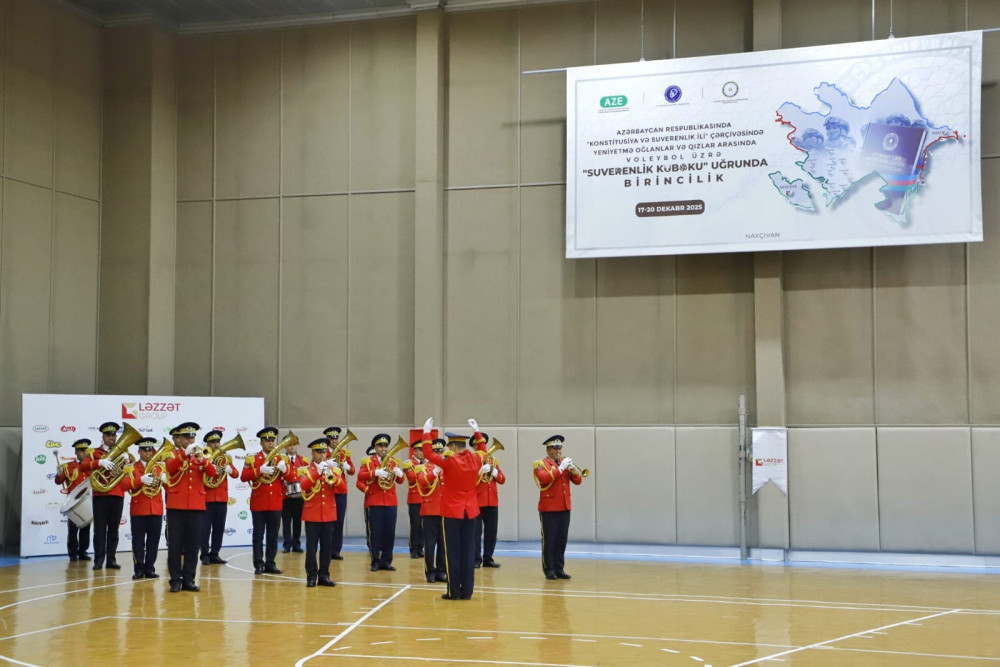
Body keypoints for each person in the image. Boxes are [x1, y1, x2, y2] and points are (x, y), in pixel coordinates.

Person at [419, 417, 485, 601]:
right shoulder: (476, 460)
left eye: (449, 447)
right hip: (470, 511)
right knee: (468, 551)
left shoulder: (450, 462)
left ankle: (454, 591)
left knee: (452, 553)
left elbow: (428, 453)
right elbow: (483, 450)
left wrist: (426, 432)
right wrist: (477, 432)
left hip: (451, 512)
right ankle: (468, 592)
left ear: (454, 448)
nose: (447, 450)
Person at [163, 422, 216, 592]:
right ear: (179, 439)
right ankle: (175, 580)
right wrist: (183, 456)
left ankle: (189, 579)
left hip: (196, 506)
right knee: (175, 546)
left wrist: (203, 461)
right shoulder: (170, 454)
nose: (190, 440)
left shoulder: (199, 455)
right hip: (176, 506)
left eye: (192, 437)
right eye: (187, 437)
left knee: (193, 546)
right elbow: (170, 469)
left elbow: (213, 474)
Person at [241, 427, 295, 575]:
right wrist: (259, 471)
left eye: (272, 440)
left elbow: (292, 479)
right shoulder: (253, 458)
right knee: (258, 535)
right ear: (261, 442)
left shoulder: (280, 458)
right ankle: (258, 563)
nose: (270, 443)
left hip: (275, 502)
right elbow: (244, 477)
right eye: (267, 441)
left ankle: (270, 563)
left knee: (273, 535)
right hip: (259, 502)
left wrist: (285, 469)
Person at [533, 434, 583, 580]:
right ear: (548, 450)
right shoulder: (540, 464)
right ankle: (549, 569)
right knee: (549, 540)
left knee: (561, 540)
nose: (558, 451)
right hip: (549, 508)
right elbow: (544, 478)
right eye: (555, 448)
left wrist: (573, 470)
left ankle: (559, 568)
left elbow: (578, 481)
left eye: (559, 448)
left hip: (564, 506)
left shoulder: (564, 463)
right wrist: (561, 468)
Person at [79, 421, 126, 571]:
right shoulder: (94, 453)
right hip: (100, 495)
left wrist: (127, 460)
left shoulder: (122, 451)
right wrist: (100, 462)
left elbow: (128, 473)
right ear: (103, 436)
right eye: (108, 435)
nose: (111, 437)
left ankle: (111, 559)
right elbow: (82, 467)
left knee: (114, 529)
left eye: (114, 435)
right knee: (99, 529)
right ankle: (98, 560)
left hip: (117, 494)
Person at [300, 438, 346, 587]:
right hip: (312, 514)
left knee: (327, 547)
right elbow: (303, 485)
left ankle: (324, 575)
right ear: (312, 453)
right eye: (319, 452)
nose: (322, 455)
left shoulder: (333, 470)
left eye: (324, 452)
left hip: (328, 514)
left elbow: (343, 489)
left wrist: (335, 480)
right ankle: (311, 576)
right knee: (311, 548)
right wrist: (317, 472)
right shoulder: (306, 469)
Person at [357, 434, 403, 571]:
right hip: (375, 501)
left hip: (390, 501)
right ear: (375, 448)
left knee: (389, 533)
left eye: (385, 446)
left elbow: (400, 481)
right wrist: (375, 472)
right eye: (380, 446)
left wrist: (400, 474)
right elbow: (360, 476)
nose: (383, 448)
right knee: (375, 533)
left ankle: (387, 561)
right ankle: (375, 561)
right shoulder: (368, 461)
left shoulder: (393, 461)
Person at [123, 437, 164, 580]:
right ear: (139, 451)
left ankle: (150, 568)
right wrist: (140, 480)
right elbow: (124, 485)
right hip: (139, 509)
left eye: (150, 450)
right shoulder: (132, 467)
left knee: (153, 542)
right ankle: (139, 569)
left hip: (156, 509)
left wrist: (166, 478)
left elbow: (169, 484)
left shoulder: (158, 467)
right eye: (145, 450)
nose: (148, 453)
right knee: (138, 542)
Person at [200, 430, 238, 565]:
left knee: (219, 528)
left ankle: (215, 553)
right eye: (213, 442)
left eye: (217, 442)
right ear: (208, 444)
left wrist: (229, 469)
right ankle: (204, 555)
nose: (216, 445)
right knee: (204, 529)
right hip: (207, 498)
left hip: (221, 498)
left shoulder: (225, 457)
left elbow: (236, 474)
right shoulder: (203, 456)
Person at [54, 439, 93, 562]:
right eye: (81, 451)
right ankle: (72, 553)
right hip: (73, 503)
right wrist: (59, 473)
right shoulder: (69, 466)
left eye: (85, 450)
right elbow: (59, 481)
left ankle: (83, 551)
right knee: (73, 529)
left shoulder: (92, 466)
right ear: (76, 452)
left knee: (86, 527)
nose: (84, 453)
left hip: (86, 500)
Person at [415, 437, 447, 583]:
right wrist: (434, 473)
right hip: (429, 511)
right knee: (430, 544)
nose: (439, 453)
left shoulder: (447, 467)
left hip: (445, 511)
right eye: (436, 451)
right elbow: (421, 482)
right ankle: (430, 572)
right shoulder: (422, 467)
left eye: (441, 450)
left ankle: (441, 570)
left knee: (443, 544)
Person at [474, 432, 505, 568]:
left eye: (485, 445)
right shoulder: (472, 460)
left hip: (492, 501)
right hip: (477, 502)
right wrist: (479, 472)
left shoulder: (493, 461)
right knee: (475, 532)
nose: (484, 448)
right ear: (474, 447)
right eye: (479, 445)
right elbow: (467, 480)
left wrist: (495, 472)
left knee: (491, 532)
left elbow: (502, 480)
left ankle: (488, 558)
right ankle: (475, 559)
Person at [324, 426, 355, 560]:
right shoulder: (323, 452)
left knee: (339, 521)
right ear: (327, 439)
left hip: (340, 490)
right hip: (328, 490)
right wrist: (326, 463)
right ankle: (327, 549)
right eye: (331, 438)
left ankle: (336, 550)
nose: (334, 441)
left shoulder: (343, 453)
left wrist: (347, 466)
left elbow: (352, 471)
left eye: (336, 438)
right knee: (328, 522)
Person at [402, 432, 426, 559]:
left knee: (423, 526)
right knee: (415, 525)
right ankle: (413, 549)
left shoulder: (426, 462)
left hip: (425, 498)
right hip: (415, 498)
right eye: (420, 450)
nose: (423, 452)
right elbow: (411, 478)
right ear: (415, 450)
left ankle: (420, 547)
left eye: (424, 450)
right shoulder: (409, 463)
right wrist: (422, 467)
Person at [282, 440, 307, 553]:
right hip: (285, 495)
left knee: (297, 521)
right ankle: (287, 544)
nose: (292, 447)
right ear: (285, 447)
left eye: (294, 445)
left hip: (299, 495)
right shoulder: (281, 459)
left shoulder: (303, 460)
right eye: (289, 445)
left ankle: (296, 544)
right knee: (286, 521)